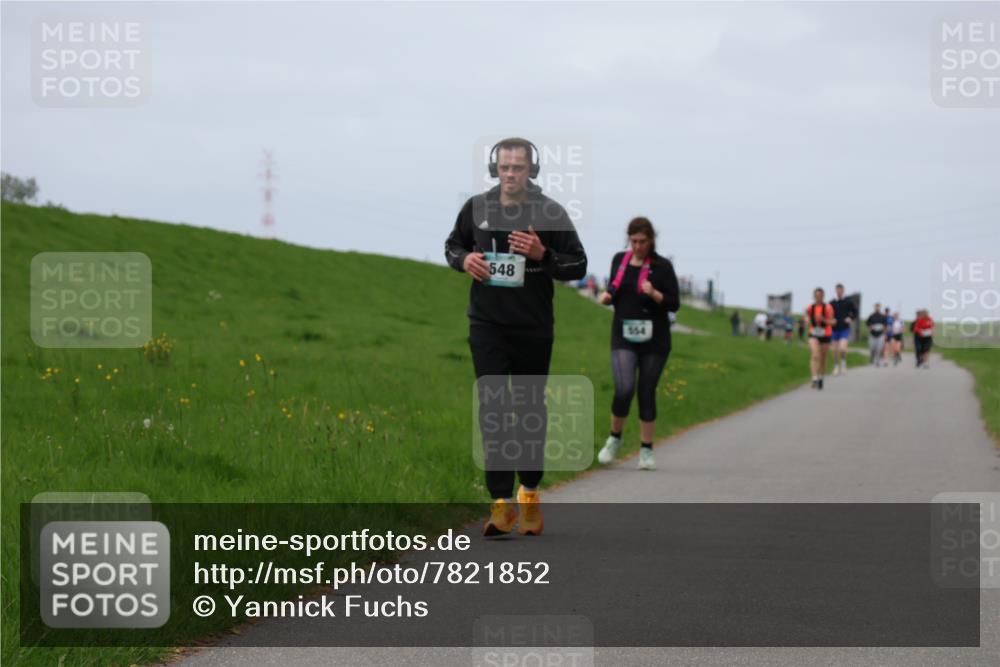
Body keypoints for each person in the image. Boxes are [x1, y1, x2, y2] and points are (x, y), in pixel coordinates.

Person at [445, 137, 587, 537]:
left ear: (531, 171)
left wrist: (543, 254)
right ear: (495, 169)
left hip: (533, 327)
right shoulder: (476, 208)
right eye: (504, 167)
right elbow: (452, 245)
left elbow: (578, 264)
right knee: (493, 409)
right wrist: (464, 259)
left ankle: (529, 495)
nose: (510, 175)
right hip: (487, 323)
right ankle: (500, 505)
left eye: (518, 168)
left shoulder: (550, 212)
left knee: (527, 412)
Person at [595, 217, 680, 471]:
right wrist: (606, 297)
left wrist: (654, 294)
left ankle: (646, 451)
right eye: (633, 241)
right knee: (624, 388)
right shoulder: (619, 261)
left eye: (643, 241)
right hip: (623, 334)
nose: (638, 246)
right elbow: (614, 291)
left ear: (651, 240)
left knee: (645, 390)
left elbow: (674, 303)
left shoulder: (662, 267)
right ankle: (614, 439)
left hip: (655, 338)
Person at [806, 287, 835, 389]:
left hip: (825, 334)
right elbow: (807, 317)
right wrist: (807, 320)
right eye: (816, 295)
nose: (818, 297)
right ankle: (814, 378)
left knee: (823, 358)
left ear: (823, 296)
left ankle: (821, 377)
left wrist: (823, 319)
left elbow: (832, 322)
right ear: (814, 296)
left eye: (820, 295)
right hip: (813, 333)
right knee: (815, 355)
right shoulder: (810, 307)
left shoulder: (828, 308)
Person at [829, 283, 857, 375]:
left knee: (842, 348)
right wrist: (830, 320)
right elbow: (828, 314)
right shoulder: (832, 302)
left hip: (844, 328)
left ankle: (844, 362)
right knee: (834, 349)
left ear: (843, 290)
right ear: (836, 291)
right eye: (837, 290)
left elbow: (855, 312)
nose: (839, 292)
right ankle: (836, 366)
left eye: (840, 290)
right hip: (834, 328)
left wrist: (850, 318)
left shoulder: (848, 301)